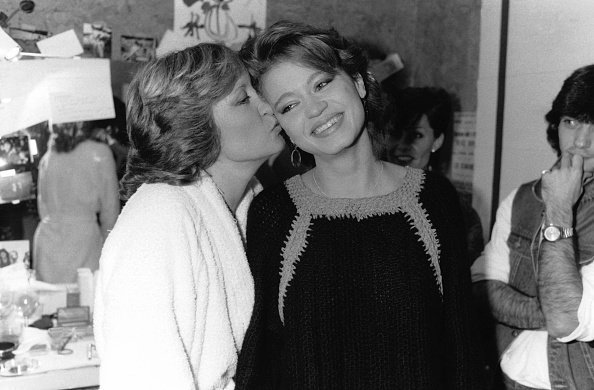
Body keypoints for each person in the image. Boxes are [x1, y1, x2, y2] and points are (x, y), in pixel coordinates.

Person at [236, 20, 485, 389]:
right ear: (281, 125)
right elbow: (261, 362)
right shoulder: (273, 213)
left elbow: (463, 350)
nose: (316, 109)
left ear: (357, 82)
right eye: (290, 105)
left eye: (321, 83)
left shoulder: (433, 199)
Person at [93, 43, 285, 390]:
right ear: (194, 127)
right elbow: (137, 378)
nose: (268, 106)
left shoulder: (254, 205)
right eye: (244, 99)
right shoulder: (157, 216)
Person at [472, 64, 594, 389]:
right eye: (571, 122)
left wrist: (559, 209)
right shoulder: (521, 198)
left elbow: (567, 320)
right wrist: (553, 311)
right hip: (503, 373)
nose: (581, 142)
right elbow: (481, 285)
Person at [383, 87, 484, 265]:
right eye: (396, 133)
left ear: (437, 141)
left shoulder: (458, 210)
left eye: (416, 135)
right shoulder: (366, 198)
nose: (403, 145)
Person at [33, 121, 120, 283]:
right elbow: (111, 210)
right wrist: (108, 249)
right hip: (84, 242)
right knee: (85, 302)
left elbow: (42, 208)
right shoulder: (100, 153)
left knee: (51, 303)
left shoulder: (48, 158)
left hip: (48, 242)